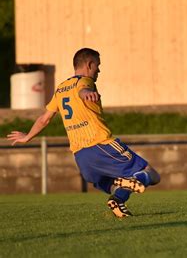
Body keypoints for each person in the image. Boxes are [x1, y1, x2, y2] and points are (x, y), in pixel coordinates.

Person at [7, 48, 160, 218]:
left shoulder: (61, 89)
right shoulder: (85, 81)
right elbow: (83, 89)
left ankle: (118, 201)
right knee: (151, 174)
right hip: (101, 144)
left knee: (112, 185)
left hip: (81, 157)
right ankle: (125, 191)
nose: (99, 70)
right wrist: (87, 94)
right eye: (97, 66)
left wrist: (27, 137)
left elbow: (44, 119)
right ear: (89, 64)